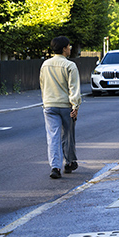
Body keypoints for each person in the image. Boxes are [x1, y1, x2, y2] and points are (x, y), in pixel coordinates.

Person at [39, 36, 81, 179]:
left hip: (49, 105)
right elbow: (74, 88)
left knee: (53, 136)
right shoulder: (70, 65)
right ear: (64, 49)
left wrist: (45, 101)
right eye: (68, 46)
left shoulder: (45, 65)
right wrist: (75, 106)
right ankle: (69, 163)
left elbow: (42, 84)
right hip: (65, 106)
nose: (70, 48)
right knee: (68, 135)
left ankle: (55, 167)